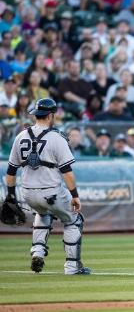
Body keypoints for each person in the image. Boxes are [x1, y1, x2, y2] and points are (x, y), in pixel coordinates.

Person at [5, 98, 91, 275]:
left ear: (36, 115)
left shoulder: (21, 136)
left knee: (43, 214)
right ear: (51, 115)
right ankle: (72, 267)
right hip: (51, 192)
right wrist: (75, 195)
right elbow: (67, 172)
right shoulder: (57, 138)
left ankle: (37, 252)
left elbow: (11, 171)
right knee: (74, 219)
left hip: (27, 193)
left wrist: (11, 195)